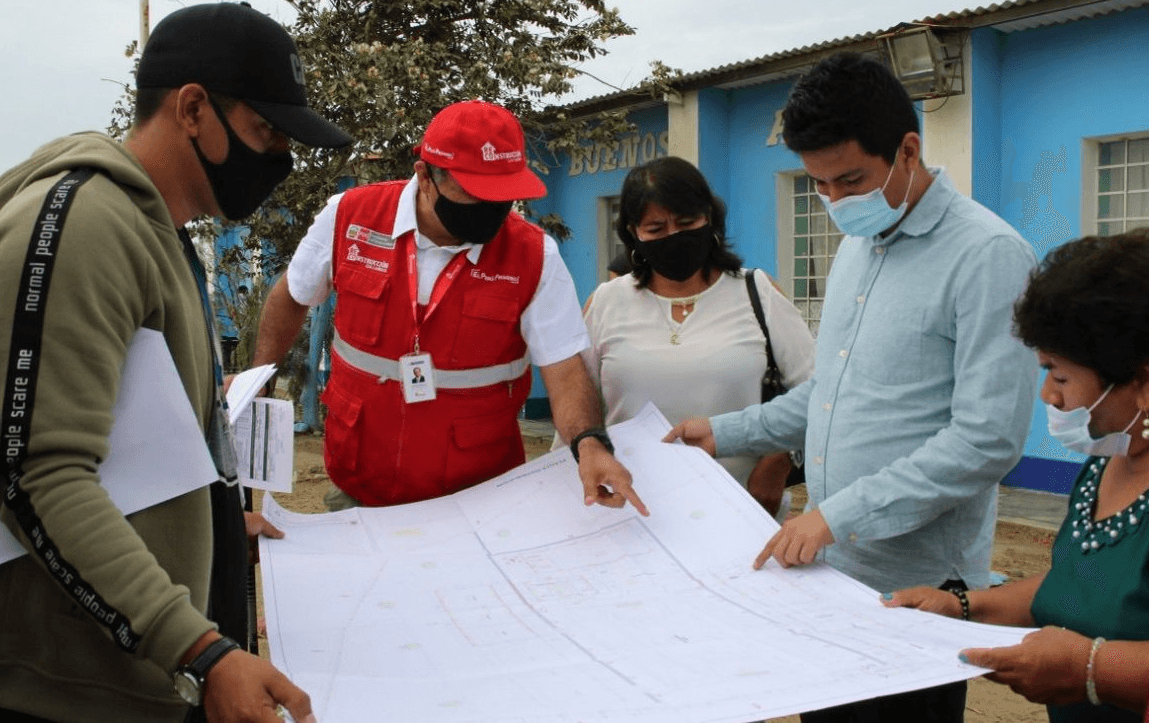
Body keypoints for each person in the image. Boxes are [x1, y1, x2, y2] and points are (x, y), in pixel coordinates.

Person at [0, 3, 353, 723]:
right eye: (265, 131)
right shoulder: (83, 227)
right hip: (71, 695)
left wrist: (210, 527)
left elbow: (143, 439)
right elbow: (39, 478)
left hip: (139, 674)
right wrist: (200, 650)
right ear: (193, 109)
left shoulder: (160, 236)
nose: (279, 158)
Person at [664, 51, 1037, 722]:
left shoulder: (987, 255)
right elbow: (833, 396)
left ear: (908, 150)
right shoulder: (859, 246)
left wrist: (837, 515)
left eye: (850, 180)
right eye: (819, 184)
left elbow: (987, 439)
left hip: (914, 590)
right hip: (831, 575)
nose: (835, 201)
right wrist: (724, 432)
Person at [251, 99, 646, 515]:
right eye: (474, 195)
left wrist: (588, 443)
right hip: (359, 488)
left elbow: (565, 369)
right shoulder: (350, 217)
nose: (490, 211)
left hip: (479, 502)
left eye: (503, 197)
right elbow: (292, 295)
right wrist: (258, 378)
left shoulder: (533, 255)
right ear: (425, 176)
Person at [885, 230, 1149, 722]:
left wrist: (1094, 670)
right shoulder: (1120, 440)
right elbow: (1081, 584)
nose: (1049, 397)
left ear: (1145, 380)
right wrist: (965, 608)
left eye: (1059, 376)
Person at [582, 156, 814, 515]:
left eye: (687, 222)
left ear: (710, 218)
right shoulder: (605, 303)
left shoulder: (758, 293)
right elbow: (578, 402)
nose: (674, 236)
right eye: (656, 228)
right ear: (633, 234)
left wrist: (779, 459)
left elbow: (817, 391)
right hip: (630, 512)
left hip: (742, 509)